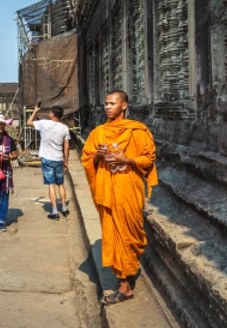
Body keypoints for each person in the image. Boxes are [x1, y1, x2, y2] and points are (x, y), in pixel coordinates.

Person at [81, 90, 158, 305]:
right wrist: (97, 155)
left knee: (130, 233)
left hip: (129, 189)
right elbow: (87, 159)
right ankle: (124, 286)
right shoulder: (98, 132)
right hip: (108, 190)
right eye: (106, 103)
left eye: (112, 104)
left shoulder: (138, 131)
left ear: (123, 106)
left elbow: (149, 158)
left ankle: (128, 271)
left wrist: (129, 159)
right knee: (115, 233)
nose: (107, 107)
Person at [27, 105, 71, 220]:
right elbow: (66, 146)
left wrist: (35, 111)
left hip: (47, 159)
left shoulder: (44, 123)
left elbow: (29, 122)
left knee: (51, 184)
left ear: (52, 114)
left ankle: (54, 211)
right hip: (59, 158)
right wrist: (66, 161)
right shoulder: (65, 128)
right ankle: (64, 208)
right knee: (60, 184)